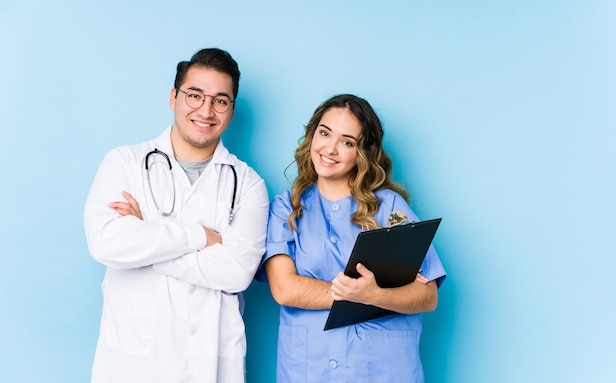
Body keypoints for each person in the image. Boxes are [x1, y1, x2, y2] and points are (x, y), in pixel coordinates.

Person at [84, 48, 269, 383]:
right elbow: (106, 243)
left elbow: (238, 271)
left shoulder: (248, 184)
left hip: (212, 364)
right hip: (134, 364)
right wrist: (200, 236)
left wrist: (146, 240)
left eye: (220, 100)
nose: (206, 110)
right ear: (173, 97)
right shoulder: (124, 163)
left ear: (231, 109)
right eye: (194, 95)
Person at [256, 94, 446, 382]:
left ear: (364, 151)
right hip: (310, 367)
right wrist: (361, 295)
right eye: (324, 133)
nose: (330, 149)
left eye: (347, 142)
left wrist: (376, 294)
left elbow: (427, 294)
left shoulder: (390, 207)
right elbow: (285, 289)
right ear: (312, 135)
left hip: (383, 368)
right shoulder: (286, 207)